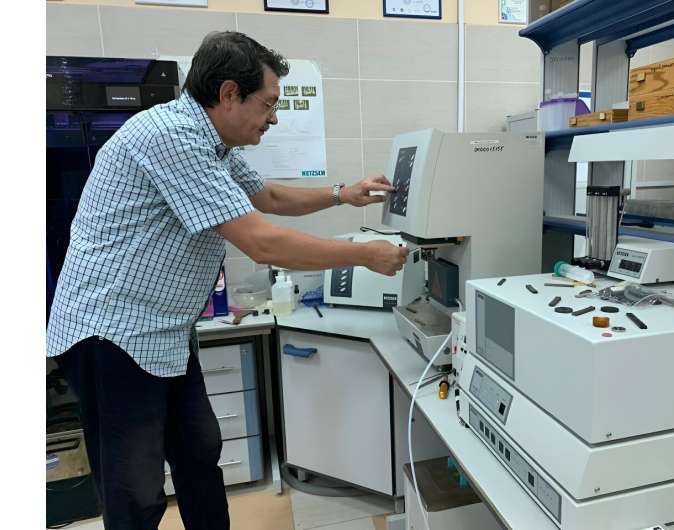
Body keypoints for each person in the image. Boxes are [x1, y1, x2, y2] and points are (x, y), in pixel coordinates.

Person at [45, 31, 408, 530]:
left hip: (165, 332)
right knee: (135, 490)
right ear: (230, 93)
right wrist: (365, 255)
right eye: (268, 103)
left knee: (199, 454)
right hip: (113, 335)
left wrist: (343, 193)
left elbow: (268, 198)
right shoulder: (171, 136)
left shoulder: (213, 144)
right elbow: (263, 243)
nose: (273, 118)